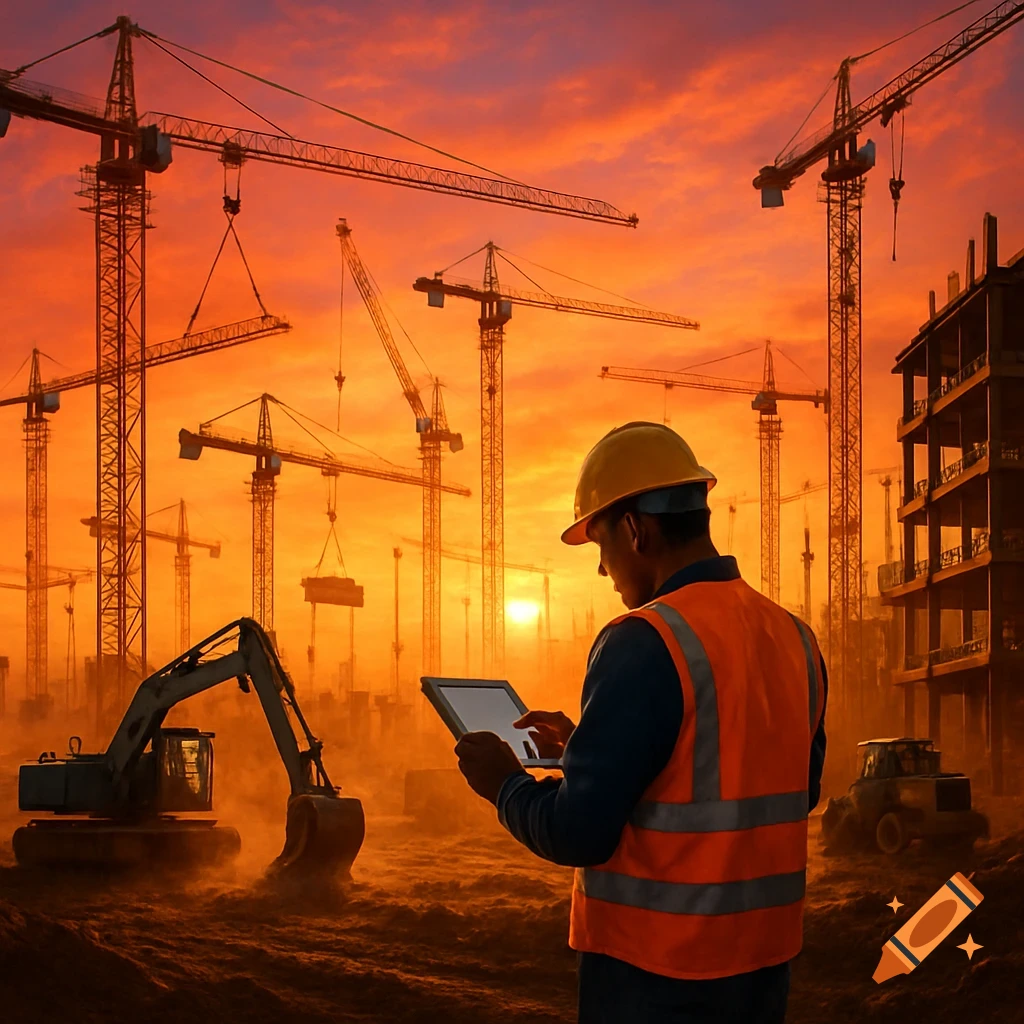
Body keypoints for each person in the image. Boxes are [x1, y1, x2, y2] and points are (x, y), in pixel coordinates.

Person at [455, 422, 827, 1024]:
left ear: (634, 529)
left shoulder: (645, 639)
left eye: (601, 548)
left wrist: (503, 782)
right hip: (762, 972)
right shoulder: (795, 638)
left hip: (655, 977)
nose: (604, 572)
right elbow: (784, 786)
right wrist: (593, 749)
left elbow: (576, 832)